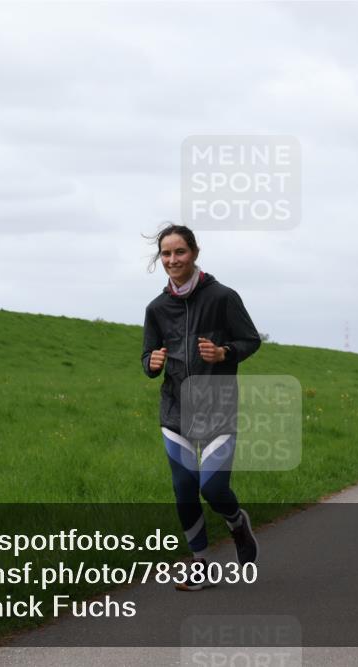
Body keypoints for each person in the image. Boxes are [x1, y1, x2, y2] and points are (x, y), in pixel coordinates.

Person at [142, 223, 262, 591]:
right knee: (184, 487)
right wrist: (153, 363)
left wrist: (225, 351)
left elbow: (251, 340)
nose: (172, 260)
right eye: (166, 253)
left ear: (194, 253)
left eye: (179, 252)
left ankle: (236, 521)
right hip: (175, 409)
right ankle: (200, 564)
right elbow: (147, 357)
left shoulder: (223, 297)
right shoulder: (157, 308)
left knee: (212, 487)